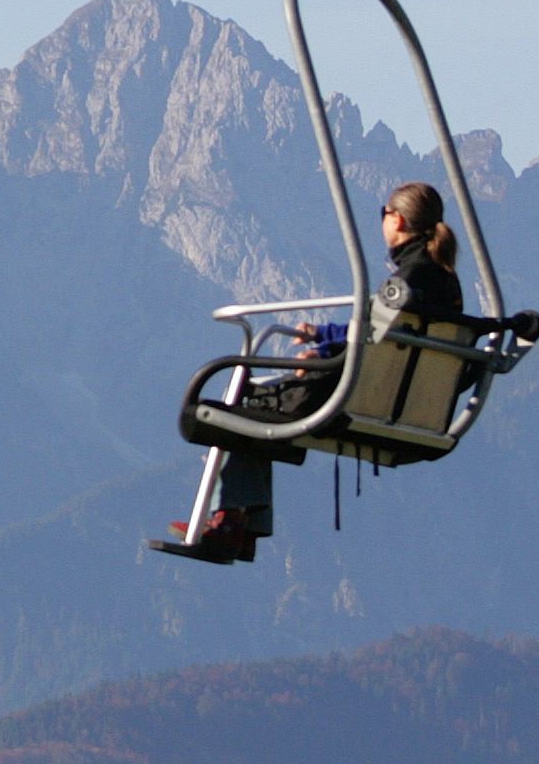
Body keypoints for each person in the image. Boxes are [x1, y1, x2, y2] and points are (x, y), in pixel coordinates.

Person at [161, 184, 465, 563]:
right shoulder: (447, 284)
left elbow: (368, 343)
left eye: (383, 214)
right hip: (411, 406)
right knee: (256, 408)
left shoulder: (401, 284)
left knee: (240, 405)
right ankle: (238, 524)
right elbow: (382, 337)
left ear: (398, 220)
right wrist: (324, 338)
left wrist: (322, 357)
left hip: (350, 399)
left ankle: (233, 523)